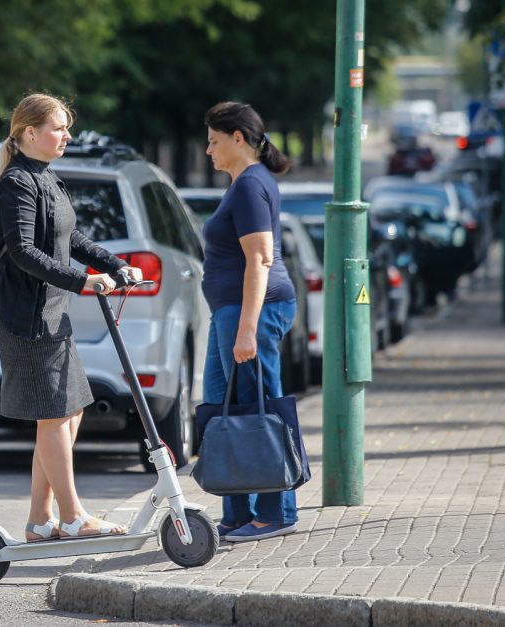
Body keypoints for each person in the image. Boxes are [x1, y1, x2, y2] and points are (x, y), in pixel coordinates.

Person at [0, 93, 143, 541]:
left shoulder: (45, 177)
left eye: (67, 127)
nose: (67, 135)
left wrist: (114, 264)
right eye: (58, 127)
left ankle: (39, 519)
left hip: (50, 313)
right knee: (55, 415)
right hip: (22, 318)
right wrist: (84, 282)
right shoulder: (17, 182)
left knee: (68, 415)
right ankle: (72, 517)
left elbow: (72, 237)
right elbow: (24, 252)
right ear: (30, 133)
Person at [201, 101, 298, 543]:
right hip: (231, 311)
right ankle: (237, 511)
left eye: (214, 140)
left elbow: (260, 258)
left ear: (238, 138)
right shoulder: (242, 183)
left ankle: (275, 511)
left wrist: (246, 328)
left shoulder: (250, 185)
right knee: (224, 407)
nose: (208, 150)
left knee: (259, 405)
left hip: (251, 310)